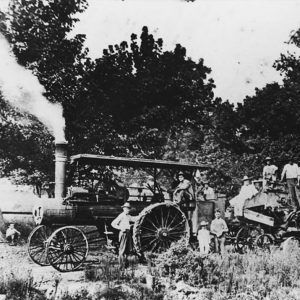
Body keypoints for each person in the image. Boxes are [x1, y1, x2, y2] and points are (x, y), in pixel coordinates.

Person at [111, 202, 138, 268]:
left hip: (128, 233)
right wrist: (121, 228)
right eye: (126, 208)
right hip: (123, 233)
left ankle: (126, 265)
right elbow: (113, 223)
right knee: (122, 250)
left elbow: (134, 219)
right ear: (123, 209)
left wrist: (142, 215)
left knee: (128, 250)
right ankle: (121, 266)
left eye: (129, 209)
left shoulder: (128, 216)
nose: (128, 210)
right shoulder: (121, 215)